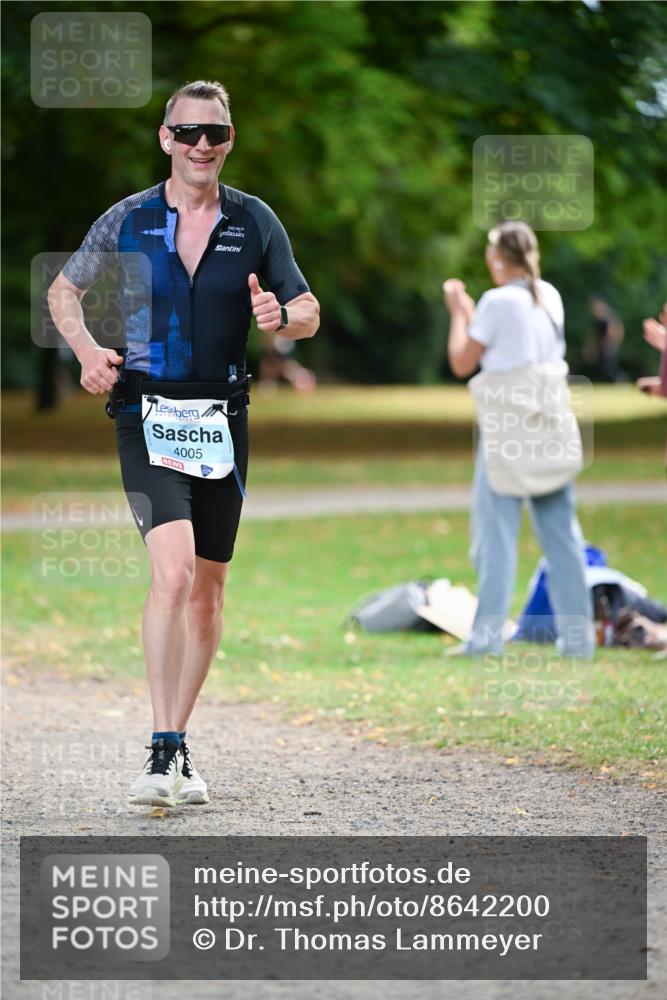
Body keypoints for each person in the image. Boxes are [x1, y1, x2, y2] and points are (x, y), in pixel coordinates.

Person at [48, 80, 320, 806]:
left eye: (217, 133)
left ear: (229, 141)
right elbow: (63, 291)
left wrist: (282, 316)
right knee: (170, 576)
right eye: (189, 132)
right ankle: (162, 748)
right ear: (165, 138)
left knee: (207, 592)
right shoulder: (130, 218)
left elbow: (307, 310)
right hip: (146, 413)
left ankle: (179, 745)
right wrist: (85, 349)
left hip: (223, 422)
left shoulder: (255, 221)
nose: (204, 144)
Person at [442, 220, 594, 658]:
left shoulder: (496, 301)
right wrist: (474, 315)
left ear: (496, 258)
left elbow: (462, 361)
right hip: (550, 427)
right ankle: (578, 642)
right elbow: (508, 349)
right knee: (563, 536)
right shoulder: (549, 296)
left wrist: (458, 312)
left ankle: (486, 640)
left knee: (496, 539)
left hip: (508, 431)